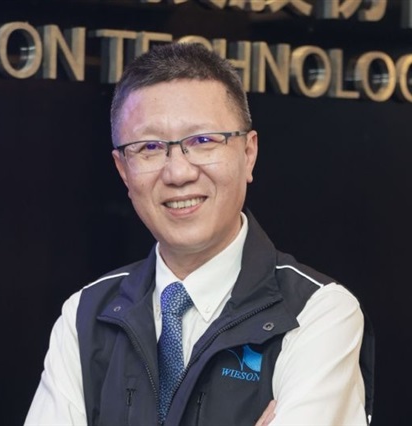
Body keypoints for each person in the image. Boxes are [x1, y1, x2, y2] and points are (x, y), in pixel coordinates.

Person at [25, 42, 374, 426]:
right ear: (123, 170)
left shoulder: (317, 314)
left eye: (203, 141)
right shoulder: (86, 316)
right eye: (150, 147)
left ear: (249, 153)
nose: (178, 173)